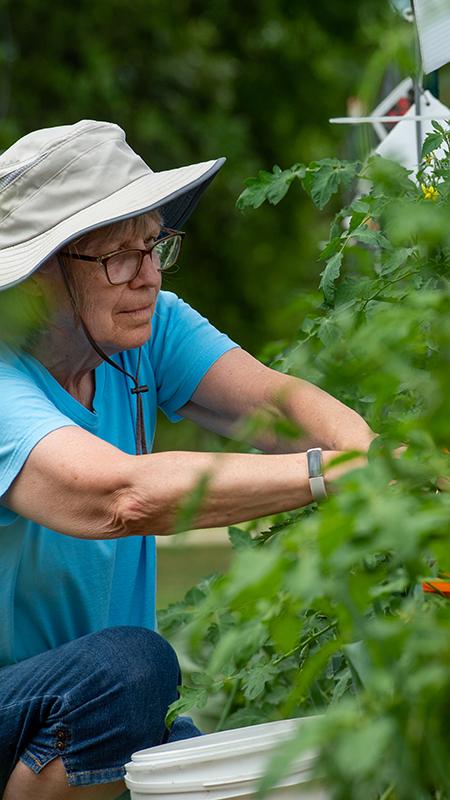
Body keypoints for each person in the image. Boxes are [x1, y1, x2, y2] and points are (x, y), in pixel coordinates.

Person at [0, 120, 374, 799]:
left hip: (90, 712)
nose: (146, 275)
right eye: (117, 256)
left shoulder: (146, 329)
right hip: (29, 705)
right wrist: (330, 476)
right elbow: (121, 498)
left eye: (152, 246)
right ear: (38, 278)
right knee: (132, 666)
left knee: (212, 769)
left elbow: (277, 405)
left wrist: (370, 455)